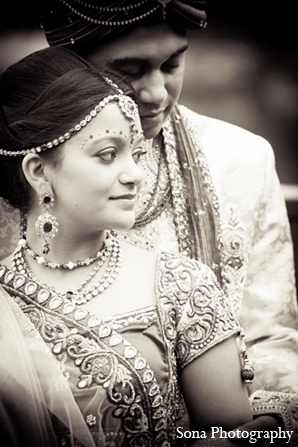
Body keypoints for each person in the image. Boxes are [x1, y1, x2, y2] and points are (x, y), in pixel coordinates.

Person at [0, 0, 297, 443]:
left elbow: (271, 335)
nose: (157, 92)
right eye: (129, 69)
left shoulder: (240, 160)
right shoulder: (18, 173)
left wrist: (260, 429)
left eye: (173, 63)